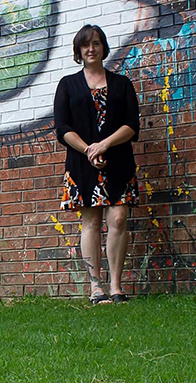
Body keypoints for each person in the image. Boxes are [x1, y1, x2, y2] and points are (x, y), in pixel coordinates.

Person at [53, 25, 140, 304]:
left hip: (119, 161)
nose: (91, 49)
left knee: (118, 218)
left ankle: (116, 286)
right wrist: (89, 149)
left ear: (104, 47)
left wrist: (104, 145)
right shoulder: (67, 84)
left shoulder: (122, 84)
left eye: (96, 43)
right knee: (90, 222)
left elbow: (132, 126)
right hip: (82, 164)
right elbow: (62, 128)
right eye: (85, 45)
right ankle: (96, 287)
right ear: (79, 50)